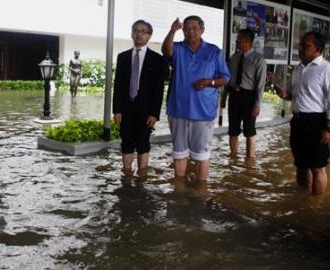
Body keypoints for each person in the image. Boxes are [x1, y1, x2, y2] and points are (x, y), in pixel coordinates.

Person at [162, 16, 230, 182]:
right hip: (178, 109)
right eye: (186, 28)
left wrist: (210, 82)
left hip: (203, 111)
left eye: (194, 28)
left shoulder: (214, 51)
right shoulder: (178, 48)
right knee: (179, 152)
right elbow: (166, 51)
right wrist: (172, 31)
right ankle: (179, 189)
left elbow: (225, 77)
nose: (190, 31)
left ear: (202, 30)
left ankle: (200, 190)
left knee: (201, 154)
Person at [275, 31, 330, 195]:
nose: (301, 48)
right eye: (301, 44)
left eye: (306, 45)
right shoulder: (299, 69)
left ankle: (316, 205)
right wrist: (285, 95)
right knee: (301, 163)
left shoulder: (328, 70)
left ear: (318, 49)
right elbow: (295, 95)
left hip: (316, 122)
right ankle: (303, 199)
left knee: (318, 167)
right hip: (298, 121)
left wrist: (329, 128)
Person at [113, 20, 167, 178]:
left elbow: (158, 89)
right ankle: (127, 175)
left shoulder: (157, 59)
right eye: (136, 30)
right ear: (131, 34)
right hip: (126, 107)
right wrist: (117, 110)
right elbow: (118, 86)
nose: (139, 34)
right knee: (126, 141)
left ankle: (142, 177)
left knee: (143, 142)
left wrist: (154, 113)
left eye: (143, 31)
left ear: (149, 36)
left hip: (146, 109)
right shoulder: (122, 57)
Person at [221, 29, 266, 160]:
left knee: (249, 130)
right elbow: (228, 79)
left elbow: (260, 85)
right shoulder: (234, 58)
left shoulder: (259, 60)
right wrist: (224, 97)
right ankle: (233, 157)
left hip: (249, 97)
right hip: (234, 95)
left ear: (246, 40)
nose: (236, 41)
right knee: (232, 129)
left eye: (238, 39)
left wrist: (257, 105)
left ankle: (249, 160)